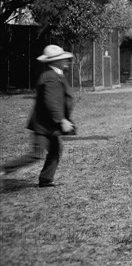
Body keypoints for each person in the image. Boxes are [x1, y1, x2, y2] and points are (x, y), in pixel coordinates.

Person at [0, 45, 76, 187]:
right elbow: (51, 101)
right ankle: (4, 169)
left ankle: (46, 179)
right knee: (36, 153)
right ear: (55, 62)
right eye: (63, 59)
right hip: (44, 125)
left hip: (48, 124)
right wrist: (62, 119)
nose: (67, 60)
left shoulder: (55, 74)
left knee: (55, 150)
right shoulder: (51, 77)